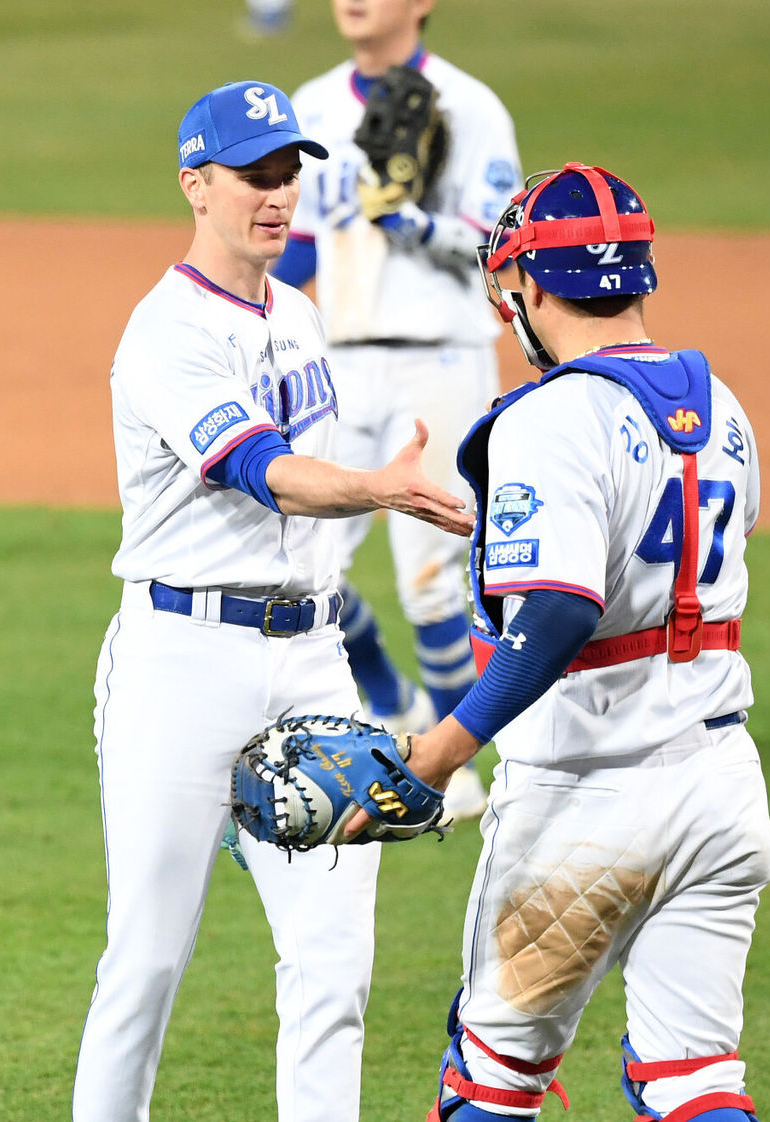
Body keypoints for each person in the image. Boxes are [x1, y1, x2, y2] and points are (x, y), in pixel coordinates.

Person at [340, 164, 770, 1122]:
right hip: (720, 789)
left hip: (587, 802)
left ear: (529, 283)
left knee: (490, 1074)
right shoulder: (721, 400)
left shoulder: (546, 416)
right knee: (700, 1082)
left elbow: (551, 618)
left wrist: (431, 755)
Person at [54, 79, 472, 1122]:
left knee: (335, 954)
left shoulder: (297, 314)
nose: (276, 191)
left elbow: (303, 537)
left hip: (304, 660)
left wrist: (347, 614)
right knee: (151, 951)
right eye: (251, 172)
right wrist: (382, 489)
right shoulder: (164, 332)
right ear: (195, 183)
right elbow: (264, 474)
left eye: (287, 168)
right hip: (181, 663)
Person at [270, 0, 522, 821]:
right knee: (307, 570)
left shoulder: (471, 105)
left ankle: (464, 767)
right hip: (338, 360)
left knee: (432, 585)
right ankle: (397, 704)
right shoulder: (311, 104)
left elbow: (498, 243)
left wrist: (412, 223)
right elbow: (298, 244)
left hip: (439, 358)